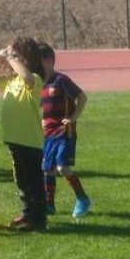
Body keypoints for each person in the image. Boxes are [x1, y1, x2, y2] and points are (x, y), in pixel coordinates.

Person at [0, 36, 46, 232]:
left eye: (17, 55)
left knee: (33, 181)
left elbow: (27, 77)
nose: (13, 59)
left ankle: (37, 218)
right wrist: (0, 60)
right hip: (14, 139)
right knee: (21, 180)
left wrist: (11, 57)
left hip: (30, 140)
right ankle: (27, 212)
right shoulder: (11, 81)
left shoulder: (35, 79)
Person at [38, 43, 92, 218]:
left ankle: (82, 199)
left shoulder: (61, 80)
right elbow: (42, 108)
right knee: (48, 169)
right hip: (48, 134)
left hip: (64, 132)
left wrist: (74, 116)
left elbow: (81, 97)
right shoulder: (40, 84)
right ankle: (49, 206)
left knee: (63, 167)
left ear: (48, 61)